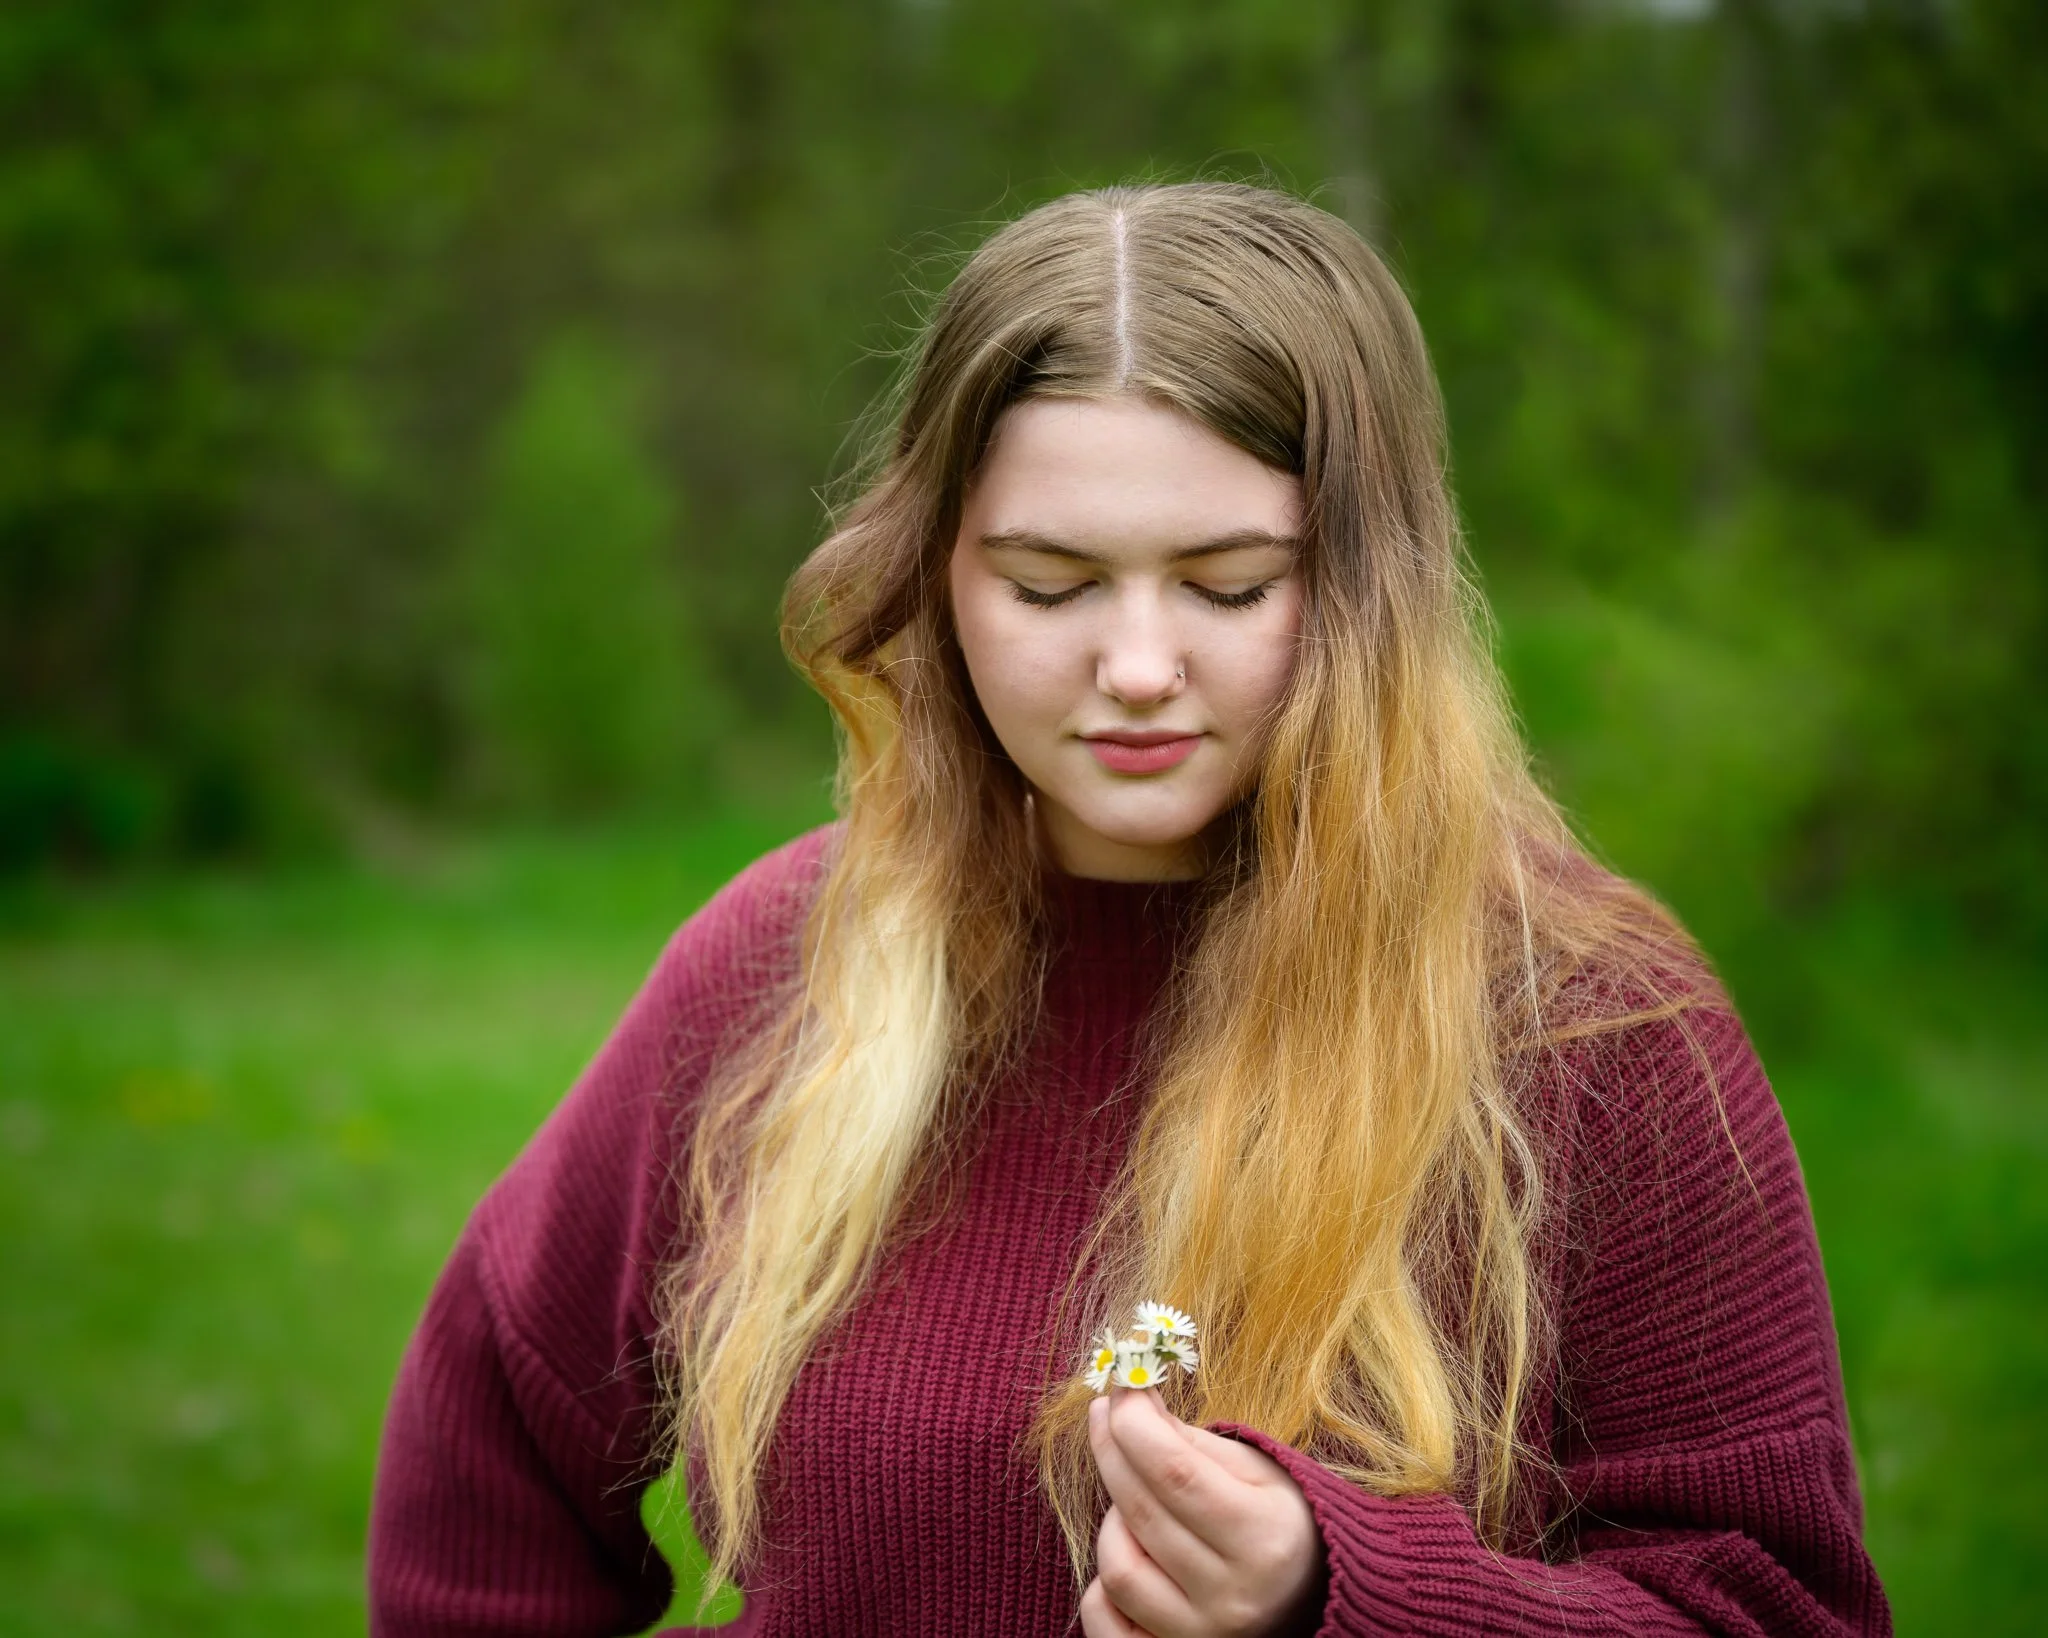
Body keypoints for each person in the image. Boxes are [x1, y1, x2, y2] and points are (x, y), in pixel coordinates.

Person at [368, 182, 1889, 1638]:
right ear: (934, 576)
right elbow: (492, 1439)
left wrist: (1337, 1597)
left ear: (1368, 585)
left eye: (1229, 585)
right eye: (1049, 584)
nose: (1141, 664)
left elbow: (1777, 1608)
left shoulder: (1587, 1015)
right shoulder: (785, 963)